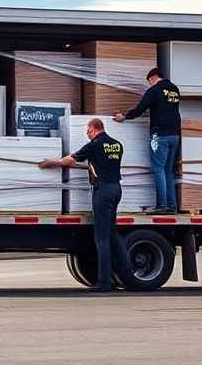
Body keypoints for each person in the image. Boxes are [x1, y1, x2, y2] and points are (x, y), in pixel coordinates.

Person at [38, 118, 130, 292]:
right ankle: (127, 272)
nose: (87, 135)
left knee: (101, 238)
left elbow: (71, 160)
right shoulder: (117, 145)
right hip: (116, 189)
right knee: (112, 233)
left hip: (102, 191)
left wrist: (52, 163)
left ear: (93, 129)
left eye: (88, 132)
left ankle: (104, 283)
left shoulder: (94, 145)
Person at [113, 68, 181, 214]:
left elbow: (140, 109)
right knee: (168, 171)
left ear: (153, 77)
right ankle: (172, 206)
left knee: (158, 169)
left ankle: (162, 205)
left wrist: (125, 116)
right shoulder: (175, 90)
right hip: (175, 134)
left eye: (149, 81)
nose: (149, 84)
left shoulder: (154, 90)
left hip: (160, 135)